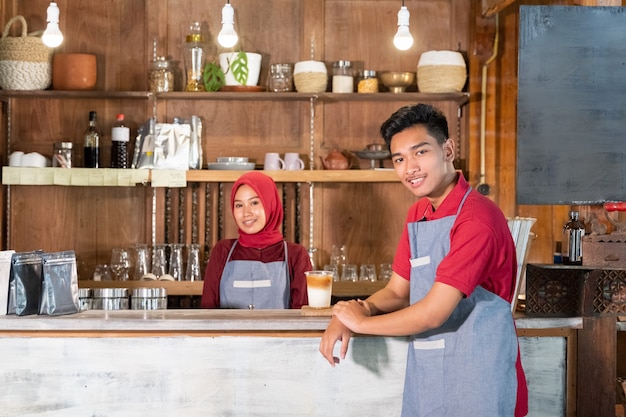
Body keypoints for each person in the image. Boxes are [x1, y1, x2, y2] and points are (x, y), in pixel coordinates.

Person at [319, 103, 528, 417]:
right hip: (431, 373)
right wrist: (351, 311)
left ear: (448, 149)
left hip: (479, 375)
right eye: (399, 159)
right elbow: (396, 292)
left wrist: (361, 323)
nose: (409, 168)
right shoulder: (418, 214)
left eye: (420, 152)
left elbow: (433, 313)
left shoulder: (476, 219)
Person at [200, 171, 311, 309]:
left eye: (254, 202)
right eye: (239, 205)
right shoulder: (223, 251)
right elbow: (208, 312)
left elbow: (302, 318)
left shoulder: (296, 255)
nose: (246, 213)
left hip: (279, 332)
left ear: (270, 204)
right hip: (228, 331)